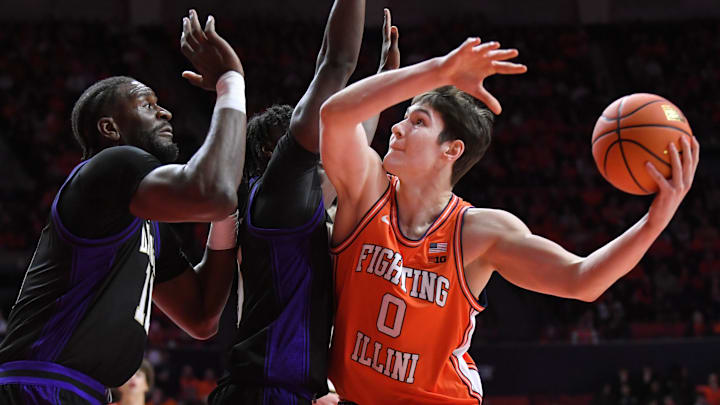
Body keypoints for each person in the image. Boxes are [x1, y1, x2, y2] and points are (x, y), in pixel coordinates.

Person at [319, 35, 699, 403]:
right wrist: (440, 70)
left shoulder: (479, 232)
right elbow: (333, 115)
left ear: (451, 149)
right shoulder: (367, 192)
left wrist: (655, 221)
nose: (397, 129)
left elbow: (581, 279)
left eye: (417, 122)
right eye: (402, 118)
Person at [0, 10, 246, 405]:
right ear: (110, 128)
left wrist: (227, 218)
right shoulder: (109, 166)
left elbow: (201, 316)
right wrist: (230, 83)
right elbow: (214, 191)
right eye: (147, 104)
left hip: (80, 391)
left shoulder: (144, 217)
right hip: (42, 382)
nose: (165, 112)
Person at [208, 4, 400, 405]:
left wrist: (383, 84)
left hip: (283, 387)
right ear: (270, 150)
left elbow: (354, 140)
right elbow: (334, 64)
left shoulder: (296, 204)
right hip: (263, 388)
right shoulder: (277, 194)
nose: (319, 142)